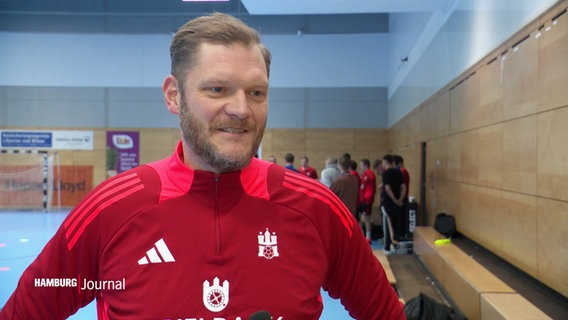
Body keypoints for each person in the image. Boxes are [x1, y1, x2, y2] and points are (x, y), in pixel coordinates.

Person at [0, 13, 404, 320]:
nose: (242, 109)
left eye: (256, 92)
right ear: (174, 96)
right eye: (217, 89)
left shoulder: (317, 208)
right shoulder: (111, 210)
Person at [381, 155, 406, 254]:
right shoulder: (399, 172)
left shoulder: (386, 173)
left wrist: (395, 199)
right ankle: (396, 244)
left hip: (388, 202)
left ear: (386, 162)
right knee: (396, 223)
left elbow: (387, 188)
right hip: (397, 203)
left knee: (388, 224)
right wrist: (400, 199)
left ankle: (387, 246)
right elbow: (403, 187)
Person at [358, 158, 377, 244]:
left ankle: (368, 237)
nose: (360, 167)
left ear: (365, 165)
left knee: (367, 218)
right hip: (362, 200)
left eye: (361, 165)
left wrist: (368, 200)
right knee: (359, 217)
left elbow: (371, 189)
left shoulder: (370, 175)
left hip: (366, 200)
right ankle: (362, 235)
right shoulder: (363, 175)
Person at [394, 155, 410, 238]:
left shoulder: (402, 172)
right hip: (401, 198)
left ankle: (401, 236)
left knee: (401, 219)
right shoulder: (402, 171)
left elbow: (402, 187)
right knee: (400, 219)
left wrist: (400, 199)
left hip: (402, 198)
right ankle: (401, 235)